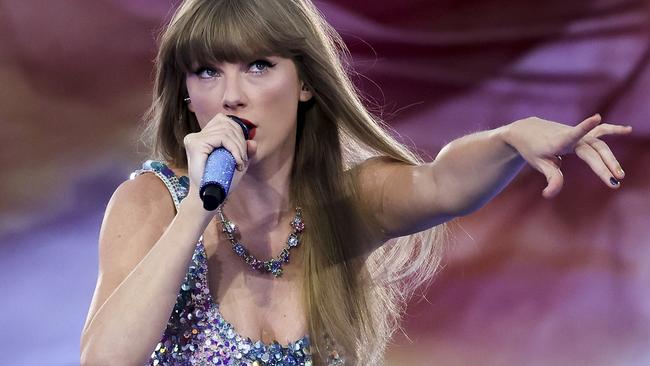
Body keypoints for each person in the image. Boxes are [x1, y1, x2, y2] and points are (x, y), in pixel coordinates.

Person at [79, 0, 633, 365]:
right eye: (207, 72)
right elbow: (103, 361)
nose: (231, 96)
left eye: (257, 66)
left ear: (304, 84)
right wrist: (199, 208)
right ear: (185, 93)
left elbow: (441, 183)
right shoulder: (149, 203)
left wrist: (509, 139)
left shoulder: (343, 203)